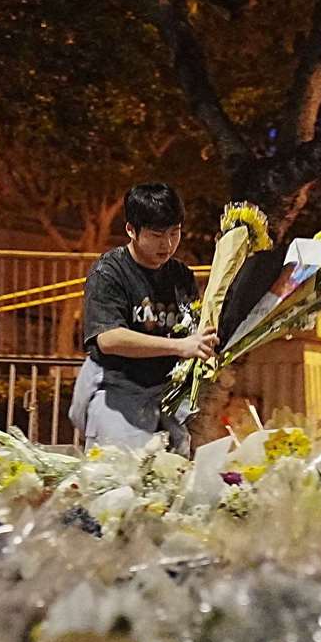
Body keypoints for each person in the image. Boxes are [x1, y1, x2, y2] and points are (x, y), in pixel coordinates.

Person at [69, 182, 217, 450]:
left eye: (175, 233)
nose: (168, 244)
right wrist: (180, 346)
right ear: (131, 230)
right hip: (118, 394)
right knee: (118, 483)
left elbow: (191, 329)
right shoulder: (109, 272)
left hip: (165, 399)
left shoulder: (181, 275)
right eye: (157, 235)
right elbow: (109, 338)